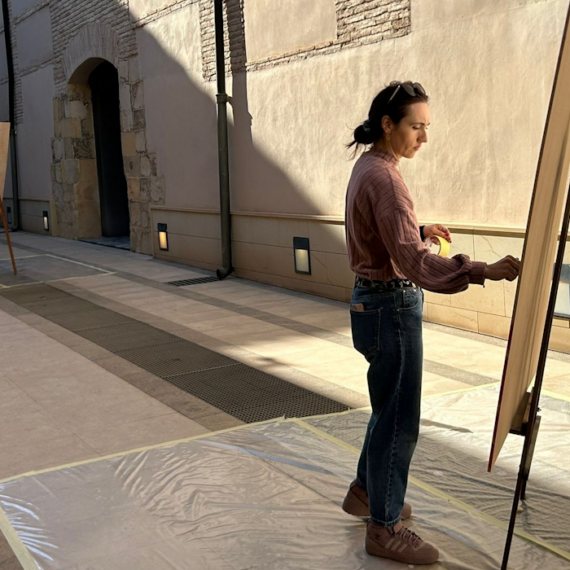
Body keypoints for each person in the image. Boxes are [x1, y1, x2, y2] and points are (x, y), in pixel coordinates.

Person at [342, 80, 520, 565]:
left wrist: (417, 229)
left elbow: (382, 234)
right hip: (391, 307)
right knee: (399, 420)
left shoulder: (369, 166)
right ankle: (384, 527)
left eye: (426, 127)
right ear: (388, 124)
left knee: (385, 409)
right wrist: (480, 269)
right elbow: (414, 262)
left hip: (370, 303)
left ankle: (365, 493)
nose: (424, 137)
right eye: (416, 126)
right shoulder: (387, 179)